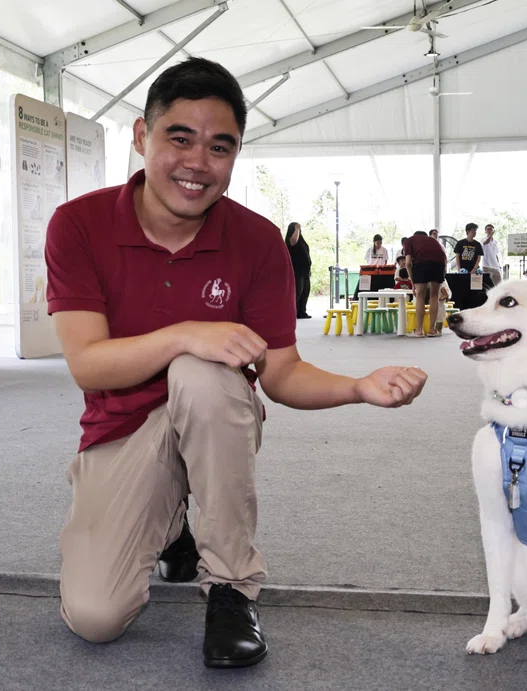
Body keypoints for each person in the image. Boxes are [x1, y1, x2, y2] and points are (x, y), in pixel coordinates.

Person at [44, 57, 428, 669]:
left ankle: (230, 587)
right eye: (179, 138)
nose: (198, 162)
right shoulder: (79, 225)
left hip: (213, 414)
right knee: (96, 617)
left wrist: (358, 385)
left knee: (201, 374)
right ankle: (172, 524)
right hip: (121, 429)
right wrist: (187, 332)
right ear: (142, 137)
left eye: (220, 147)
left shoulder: (256, 240)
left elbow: (280, 374)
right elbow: (89, 365)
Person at [404, 230, 447, 337]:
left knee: (420, 296)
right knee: (434, 296)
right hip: (439, 265)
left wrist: (413, 282)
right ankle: (432, 330)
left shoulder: (410, 240)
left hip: (422, 264)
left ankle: (419, 330)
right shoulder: (433, 240)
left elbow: (408, 263)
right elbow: (444, 260)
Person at [285, 221, 311, 319]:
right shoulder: (290, 240)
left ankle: (301, 312)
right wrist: (296, 229)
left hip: (305, 271)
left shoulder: (302, 241)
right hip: (296, 271)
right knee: (297, 292)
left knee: (305, 291)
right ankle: (291, 312)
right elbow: (293, 241)